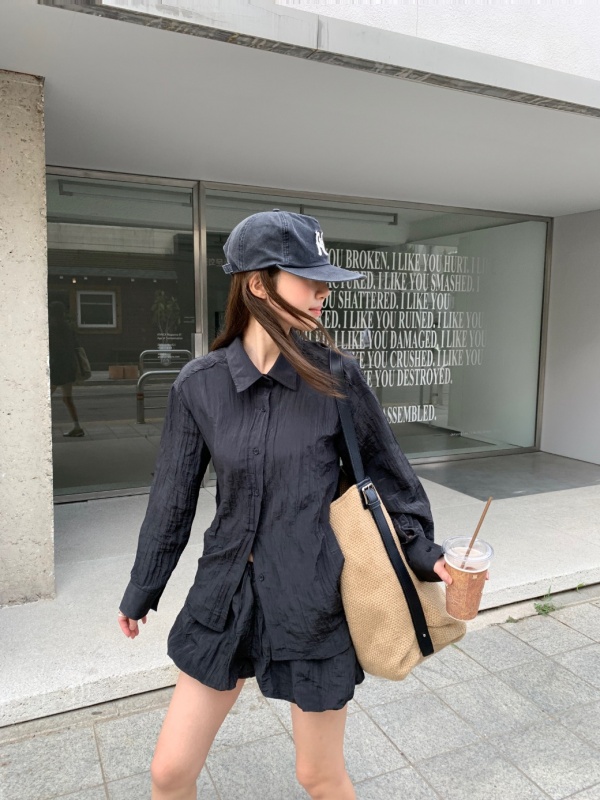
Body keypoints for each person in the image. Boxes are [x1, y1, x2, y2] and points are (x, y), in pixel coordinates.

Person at [118, 210, 451, 800]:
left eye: (325, 280)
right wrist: (144, 588)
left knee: (318, 776)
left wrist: (426, 554)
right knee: (169, 773)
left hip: (311, 597)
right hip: (224, 596)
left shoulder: (337, 378)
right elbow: (171, 498)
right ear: (257, 283)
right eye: (308, 278)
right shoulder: (199, 385)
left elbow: (390, 478)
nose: (324, 292)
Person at [48, 301, 84, 437]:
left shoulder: (51, 327)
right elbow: (76, 345)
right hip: (69, 366)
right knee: (67, 398)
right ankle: (77, 426)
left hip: (56, 367)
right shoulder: (68, 327)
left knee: (44, 398)